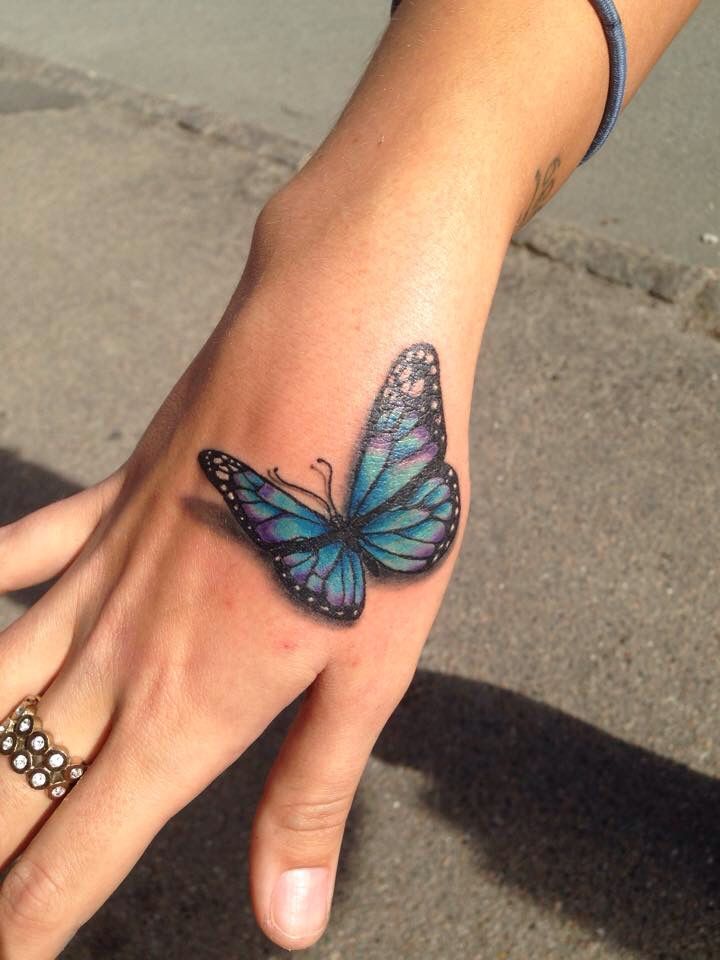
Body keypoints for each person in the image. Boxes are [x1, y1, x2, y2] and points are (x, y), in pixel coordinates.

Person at [0, 0, 700, 955]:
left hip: (329, 541)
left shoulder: (287, 511)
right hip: (383, 526)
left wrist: (383, 237)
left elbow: (257, 486)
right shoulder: (309, 501)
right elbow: (258, 485)